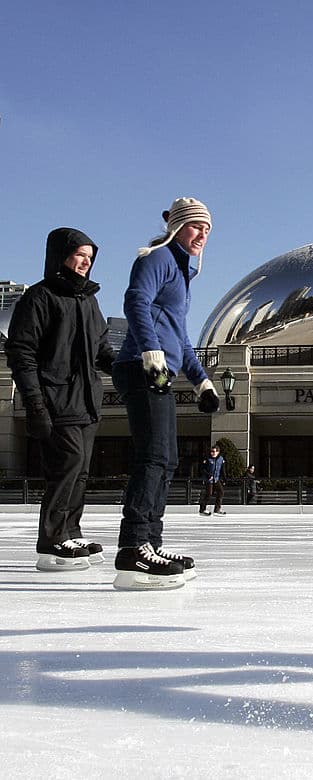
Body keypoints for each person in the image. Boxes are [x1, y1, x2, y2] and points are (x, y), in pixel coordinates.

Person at [111, 197, 219, 590]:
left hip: (161, 370)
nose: (202, 235)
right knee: (153, 456)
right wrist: (150, 352)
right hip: (140, 367)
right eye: (195, 227)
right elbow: (135, 301)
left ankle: (151, 542)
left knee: (168, 459)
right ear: (176, 227)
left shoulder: (182, 272)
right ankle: (133, 547)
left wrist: (202, 381)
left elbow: (181, 337)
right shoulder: (157, 258)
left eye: (207, 229)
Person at [5, 228, 116, 572]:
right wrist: (35, 404)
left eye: (89, 257)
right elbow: (21, 352)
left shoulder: (89, 300)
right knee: (67, 465)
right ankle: (51, 539)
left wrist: (128, 368)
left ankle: (70, 532)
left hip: (86, 400)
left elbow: (102, 349)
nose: (85, 262)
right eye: (79, 255)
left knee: (80, 470)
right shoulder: (40, 297)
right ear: (60, 256)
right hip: (55, 398)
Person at [199, 444, 226, 515]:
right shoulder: (207, 458)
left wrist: (224, 479)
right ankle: (202, 509)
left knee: (221, 492)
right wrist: (208, 475)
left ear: (218, 452)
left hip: (216, 479)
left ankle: (217, 509)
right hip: (209, 479)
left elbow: (222, 469)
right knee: (209, 494)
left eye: (214, 451)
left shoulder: (221, 459)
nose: (212, 453)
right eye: (211, 451)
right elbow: (202, 469)